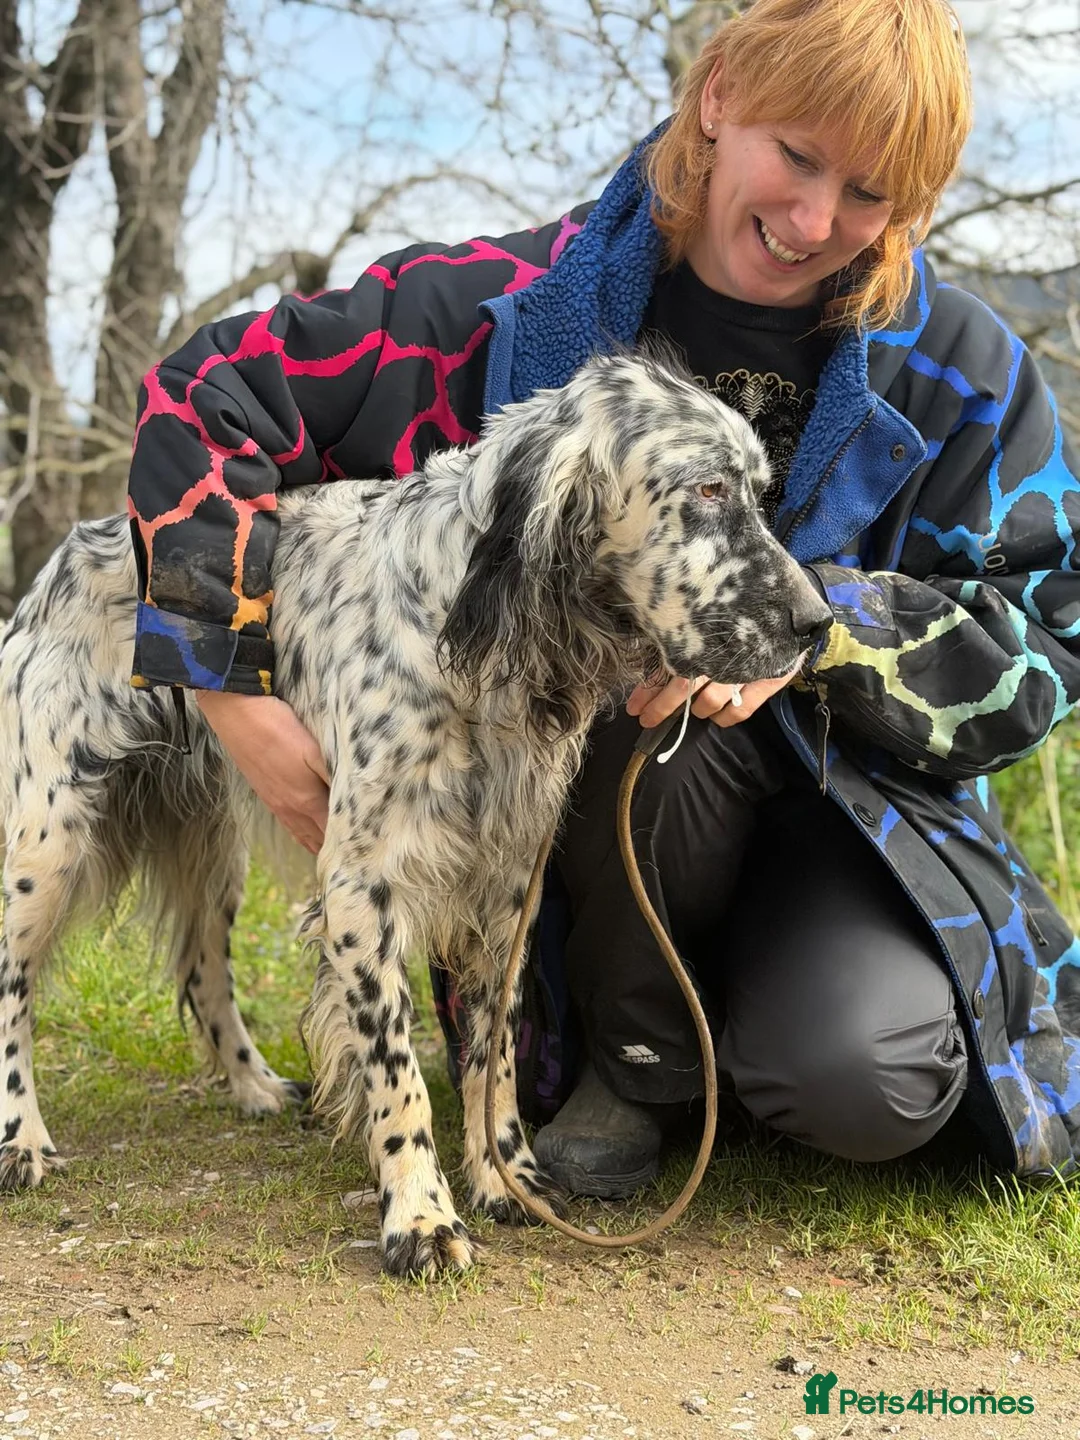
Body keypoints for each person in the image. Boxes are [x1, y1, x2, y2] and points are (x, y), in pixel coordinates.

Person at [127, 0, 1080, 1201]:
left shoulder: (964, 368)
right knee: (619, 656)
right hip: (583, 852)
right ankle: (626, 1069)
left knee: (863, 1082)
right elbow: (201, 397)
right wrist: (226, 683)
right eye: (795, 156)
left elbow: (1044, 638)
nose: (813, 221)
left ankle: (778, 1046)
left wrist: (826, 625)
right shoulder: (490, 306)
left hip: (854, 831)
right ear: (718, 94)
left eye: (870, 194)